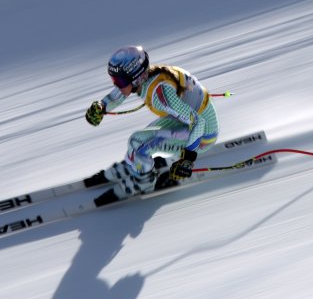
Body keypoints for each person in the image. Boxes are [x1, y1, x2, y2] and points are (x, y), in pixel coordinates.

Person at [84, 45, 219, 205]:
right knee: (140, 139)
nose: (117, 85)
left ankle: (144, 183)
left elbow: (198, 122)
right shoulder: (148, 78)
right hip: (182, 121)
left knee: (138, 142)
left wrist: (186, 160)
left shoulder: (161, 94)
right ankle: (137, 164)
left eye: (119, 80)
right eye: (114, 80)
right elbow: (121, 92)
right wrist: (102, 106)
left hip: (203, 135)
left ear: (136, 78)